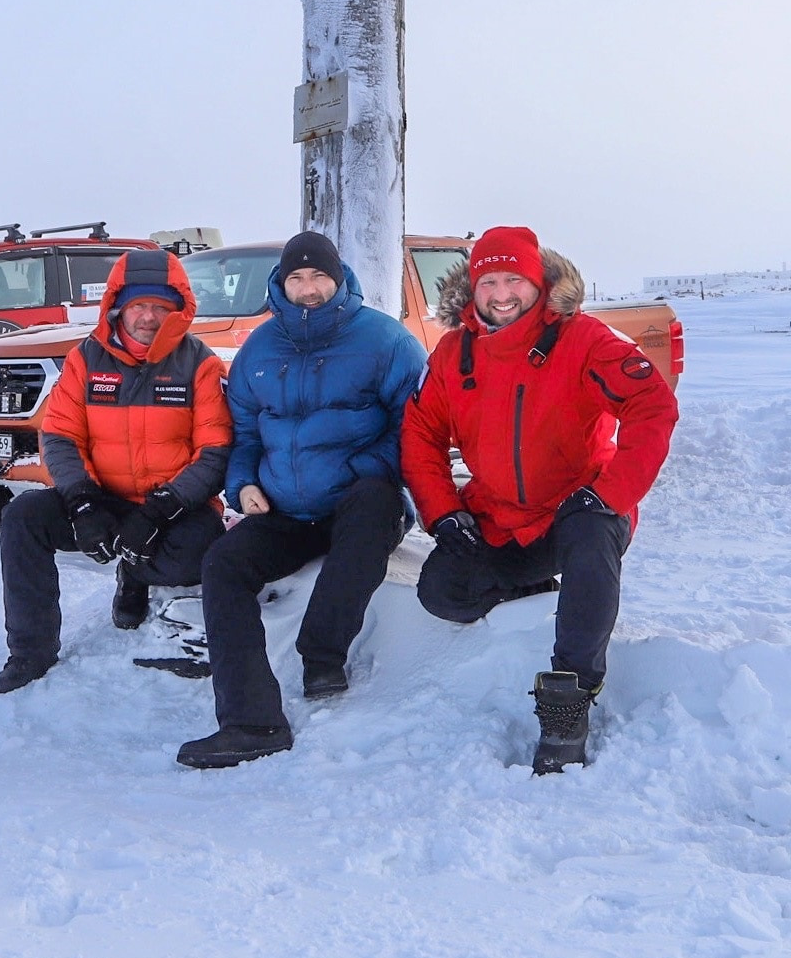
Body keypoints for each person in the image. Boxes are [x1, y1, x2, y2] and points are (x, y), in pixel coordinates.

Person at [401, 225, 678, 773]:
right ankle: (537, 595)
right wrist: (444, 512)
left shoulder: (583, 338)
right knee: (441, 591)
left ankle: (568, 701)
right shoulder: (454, 352)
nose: (501, 293)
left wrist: (610, 493)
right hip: (500, 516)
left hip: (580, 510)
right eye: (489, 281)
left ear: (538, 282)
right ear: (471, 288)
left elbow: (653, 404)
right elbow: (420, 434)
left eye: (514, 280)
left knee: (593, 536)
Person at [176, 231, 427, 768]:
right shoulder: (259, 350)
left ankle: (323, 655)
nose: (308, 288)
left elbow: (414, 432)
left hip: (360, 498)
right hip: (285, 508)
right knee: (223, 563)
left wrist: (356, 470)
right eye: (296, 278)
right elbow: (242, 433)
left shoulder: (386, 341)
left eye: (319, 277)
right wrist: (242, 486)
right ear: (281, 283)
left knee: (371, 508)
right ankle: (252, 721)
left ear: (339, 279)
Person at [0, 248, 232, 693]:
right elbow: (59, 436)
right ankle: (30, 652)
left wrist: (160, 511)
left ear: (178, 311)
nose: (149, 317)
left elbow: (215, 453)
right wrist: (81, 503)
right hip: (100, 498)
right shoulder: (85, 360)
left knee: (202, 552)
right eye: (140, 305)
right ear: (119, 306)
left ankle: (135, 573)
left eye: (161, 307)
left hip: (171, 505)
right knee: (22, 519)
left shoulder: (200, 363)